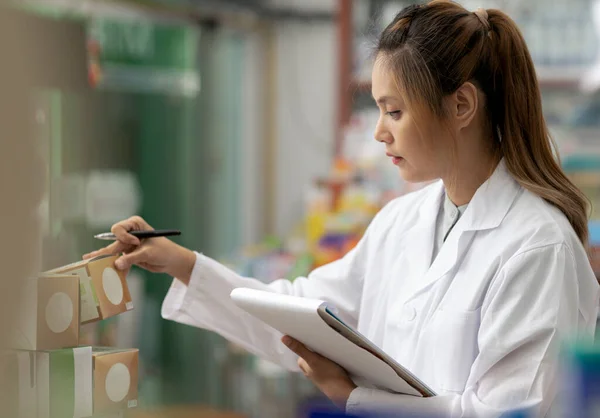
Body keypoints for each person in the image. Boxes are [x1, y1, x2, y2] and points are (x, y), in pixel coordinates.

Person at [85, 1, 600, 416]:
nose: (379, 132)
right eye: (378, 109)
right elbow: (304, 315)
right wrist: (178, 261)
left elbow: (510, 412)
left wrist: (353, 399)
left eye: (394, 111)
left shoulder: (537, 246)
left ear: (462, 106)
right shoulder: (405, 221)